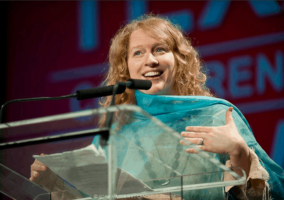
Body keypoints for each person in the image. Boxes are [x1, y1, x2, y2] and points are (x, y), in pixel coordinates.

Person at [30, 14, 284, 200]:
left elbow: (275, 193)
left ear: (179, 61)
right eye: (138, 53)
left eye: (159, 49)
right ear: (125, 67)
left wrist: (239, 152)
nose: (149, 61)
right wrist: (57, 187)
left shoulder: (217, 115)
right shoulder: (115, 135)